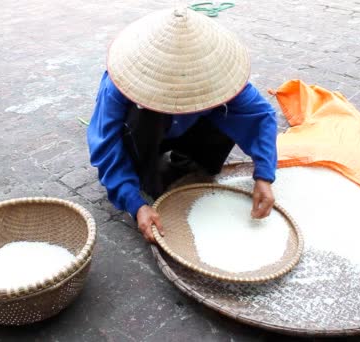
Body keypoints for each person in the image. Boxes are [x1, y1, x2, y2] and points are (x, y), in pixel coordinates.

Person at [87, 8, 278, 243]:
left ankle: (187, 158)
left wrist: (264, 176)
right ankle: (147, 167)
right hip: (146, 133)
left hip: (189, 129)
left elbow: (261, 116)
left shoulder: (216, 75)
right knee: (143, 145)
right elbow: (105, 146)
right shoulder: (119, 85)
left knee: (227, 107)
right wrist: (136, 205)